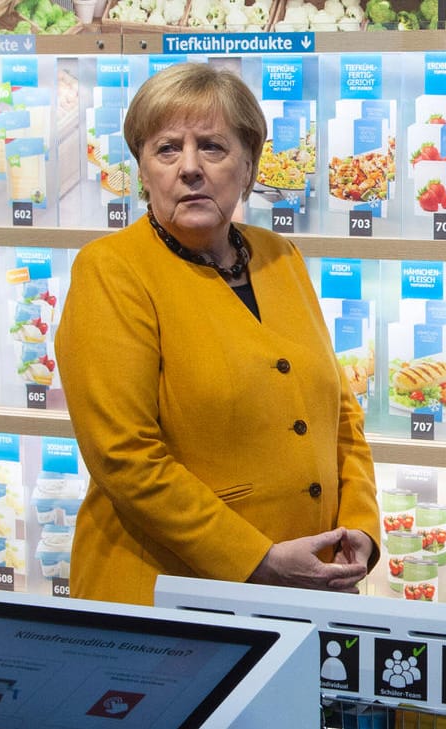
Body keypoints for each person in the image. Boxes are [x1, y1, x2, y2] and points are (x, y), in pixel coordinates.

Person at [55, 62, 380, 606]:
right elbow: (124, 456)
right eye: (166, 149)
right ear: (142, 171)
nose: (189, 168)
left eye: (212, 147)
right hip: (169, 596)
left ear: (249, 166)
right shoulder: (111, 271)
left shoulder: (280, 256)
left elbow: (340, 412)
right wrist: (257, 560)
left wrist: (360, 529)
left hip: (308, 588)